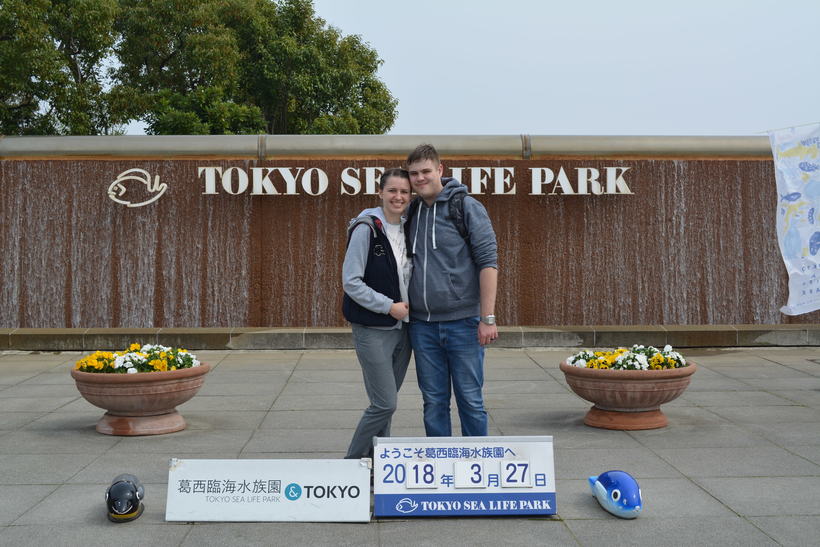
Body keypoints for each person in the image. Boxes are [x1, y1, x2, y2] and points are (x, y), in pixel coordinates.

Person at [405, 144, 498, 437]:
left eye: (426, 171)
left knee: (470, 401)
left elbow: (488, 262)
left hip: (464, 324)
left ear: (440, 170)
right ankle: (440, 460)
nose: (420, 178)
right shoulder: (412, 211)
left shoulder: (466, 206)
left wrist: (487, 318)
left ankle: (477, 461)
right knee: (433, 403)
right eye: (414, 174)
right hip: (423, 326)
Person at [342, 168, 413, 458]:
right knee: (385, 404)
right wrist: (388, 306)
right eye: (392, 190)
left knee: (387, 403)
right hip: (373, 329)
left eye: (404, 192)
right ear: (380, 192)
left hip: (405, 330)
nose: (398, 197)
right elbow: (351, 282)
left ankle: (376, 466)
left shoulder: (411, 227)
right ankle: (351, 464)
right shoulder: (367, 228)